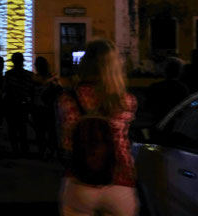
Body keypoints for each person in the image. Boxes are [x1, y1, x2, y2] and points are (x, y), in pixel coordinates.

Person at [57, 39, 138, 216]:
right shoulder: (126, 101)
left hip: (80, 179)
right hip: (120, 182)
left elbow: (66, 143)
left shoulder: (68, 99)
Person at [2, 52, 34, 155]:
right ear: (23, 61)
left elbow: (5, 89)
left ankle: (15, 147)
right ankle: (24, 147)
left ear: (12, 61)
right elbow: (31, 90)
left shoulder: (8, 74)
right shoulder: (29, 75)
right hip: (23, 103)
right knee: (22, 126)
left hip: (11, 103)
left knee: (12, 127)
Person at [31, 56, 60, 159]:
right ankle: (50, 151)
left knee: (42, 131)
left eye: (36, 65)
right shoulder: (50, 77)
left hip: (41, 107)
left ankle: (44, 151)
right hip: (47, 107)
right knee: (49, 131)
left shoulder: (35, 77)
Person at [146, 57, 188, 124]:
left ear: (165, 71)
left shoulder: (155, 86)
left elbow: (148, 106)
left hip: (159, 121)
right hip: (175, 123)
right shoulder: (182, 88)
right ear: (179, 72)